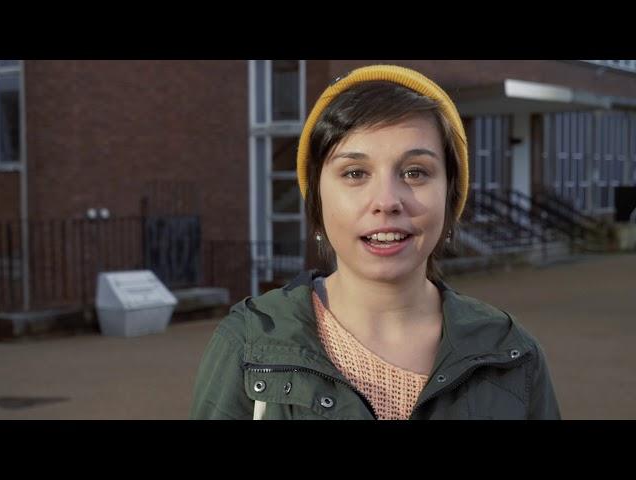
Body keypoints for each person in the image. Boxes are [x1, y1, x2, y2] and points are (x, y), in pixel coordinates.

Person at [190, 64, 561, 420]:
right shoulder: (249, 346)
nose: (386, 201)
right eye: (355, 173)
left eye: (415, 172)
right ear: (317, 199)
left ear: (450, 195)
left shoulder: (511, 357)